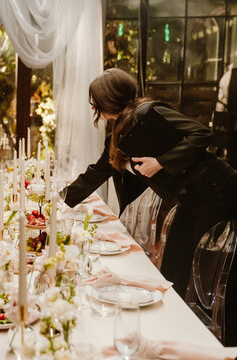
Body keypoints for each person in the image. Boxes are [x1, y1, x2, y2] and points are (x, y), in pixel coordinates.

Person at [64, 68, 237, 344]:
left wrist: (162, 162)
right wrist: (59, 201)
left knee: (202, 272)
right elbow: (99, 170)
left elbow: (202, 134)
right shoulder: (122, 130)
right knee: (172, 270)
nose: (94, 108)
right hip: (190, 198)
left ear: (108, 99)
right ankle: (166, 334)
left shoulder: (147, 113)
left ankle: (202, 341)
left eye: (95, 102)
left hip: (218, 191)